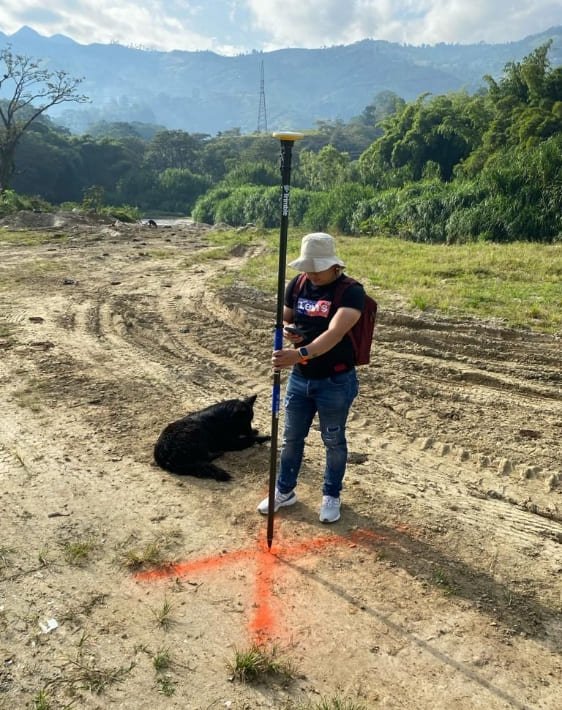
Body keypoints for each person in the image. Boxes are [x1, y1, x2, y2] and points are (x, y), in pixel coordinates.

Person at [258, 232, 365, 523]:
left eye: (317, 268)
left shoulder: (352, 292)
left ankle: (331, 495)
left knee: (333, 440)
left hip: (335, 380)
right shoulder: (299, 283)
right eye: (308, 267)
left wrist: (299, 353)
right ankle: (284, 490)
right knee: (291, 437)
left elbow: (335, 333)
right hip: (300, 378)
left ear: (334, 266)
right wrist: (289, 331)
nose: (311, 274)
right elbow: (286, 317)